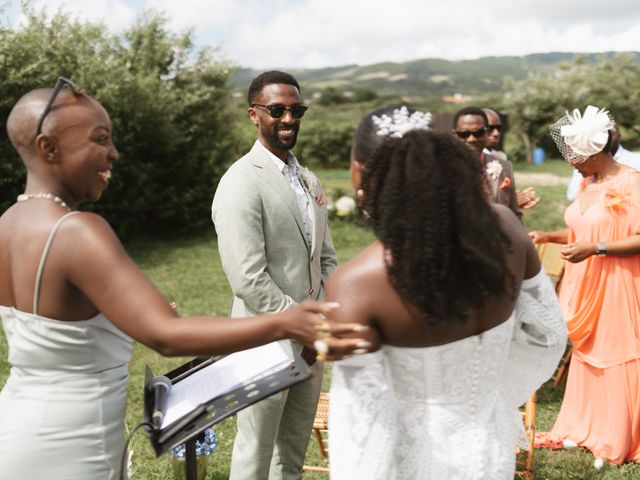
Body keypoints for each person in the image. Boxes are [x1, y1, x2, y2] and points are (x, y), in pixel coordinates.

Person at [0, 79, 367, 480]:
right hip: (71, 439)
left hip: (21, 423)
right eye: (100, 138)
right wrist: (292, 323)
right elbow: (167, 336)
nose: (115, 152)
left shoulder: (8, 224)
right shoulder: (78, 231)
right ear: (47, 147)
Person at [326, 104, 567, 479]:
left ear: (362, 174)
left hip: (410, 465)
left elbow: (362, 436)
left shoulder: (356, 284)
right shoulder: (507, 229)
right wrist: (490, 396)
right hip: (490, 450)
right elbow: (547, 334)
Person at [211, 71, 337, 480]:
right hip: (263, 341)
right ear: (253, 114)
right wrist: (303, 327)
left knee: (293, 452)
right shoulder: (240, 183)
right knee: (255, 452)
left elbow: (326, 259)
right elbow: (248, 279)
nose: (288, 119)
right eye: (277, 110)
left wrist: (325, 319)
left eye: (296, 110)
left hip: (312, 341)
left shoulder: (309, 179)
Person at [531, 106, 640, 467]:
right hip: (586, 282)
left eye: (574, 155)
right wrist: (549, 234)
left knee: (618, 349)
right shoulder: (586, 184)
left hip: (620, 283)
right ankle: (587, 425)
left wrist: (597, 249)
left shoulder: (632, 181)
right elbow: (582, 232)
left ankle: (618, 433)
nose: (571, 162)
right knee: (589, 348)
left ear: (595, 151)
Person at [452, 106, 523, 220]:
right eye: (464, 134)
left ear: (486, 133)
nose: (471, 139)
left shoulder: (504, 167)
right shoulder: (440, 169)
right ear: (455, 136)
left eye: (478, 133)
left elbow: (515, 215)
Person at [483, 107, 540, 209]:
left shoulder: (501, 159)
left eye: (499, 128)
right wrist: (512, 202)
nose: (496, 133)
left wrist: (514, 201)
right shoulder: (468, 162)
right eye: (490, 128)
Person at [566, 124, 640, 201]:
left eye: (576, 155)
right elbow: (572, 195)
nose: (572, 163)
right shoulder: (587, 178)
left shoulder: (633, 174)